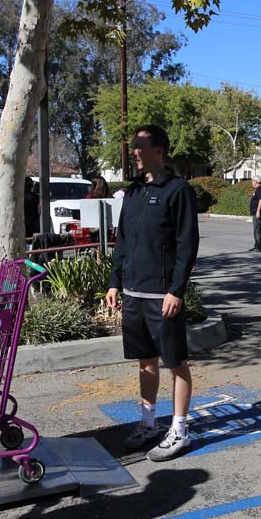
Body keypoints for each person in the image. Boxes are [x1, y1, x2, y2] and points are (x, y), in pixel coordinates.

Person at [106, 124, 200, 461]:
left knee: (176, 363)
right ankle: (148, 424)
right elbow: (123, 242)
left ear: (158, 150)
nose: (134, 151)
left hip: (163, 297)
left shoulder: (177, 190)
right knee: (146, 363)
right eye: (133, 145)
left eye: (140, 146)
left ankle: (180, 430)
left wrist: (176, 290)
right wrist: (115, 282)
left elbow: (187, 245)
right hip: (133, 294)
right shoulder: (131, 193)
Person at [249, 178, 261, 252]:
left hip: (258, 213)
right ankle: (257, 245)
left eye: (253, 181)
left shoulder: (260, 189)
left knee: (257, 230)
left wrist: (258, 211)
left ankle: (259, 247)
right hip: (256, 212)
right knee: (257, 229)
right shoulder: (258, 189)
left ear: (256, 181)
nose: (252, 183)